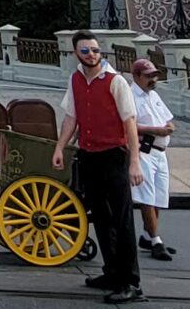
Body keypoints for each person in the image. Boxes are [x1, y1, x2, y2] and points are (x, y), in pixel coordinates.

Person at [52, 31, 143, 303]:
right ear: (75, 54)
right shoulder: (76, 79)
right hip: (89, 154)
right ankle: (112, 272)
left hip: (114, 155)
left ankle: (131, 282)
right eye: (85, 51)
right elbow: (72, 116)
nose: (91, 54)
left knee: (122, 219)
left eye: (94, 50)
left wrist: (134, 162)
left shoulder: (116, 82)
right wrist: (60, 146)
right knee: (101, 218)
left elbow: (130, 123)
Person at [128, 59, 177, 261]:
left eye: (154, 76)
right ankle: (156, 240)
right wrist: (155, 130)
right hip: (144, 149)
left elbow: (167, 118)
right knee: (147, 197)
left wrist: (168, 127)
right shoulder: (130, 97)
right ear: (137, 76)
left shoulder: (153, 95)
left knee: (158, 196)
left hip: (160, 150)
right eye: (148, 76)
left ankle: (149, 234)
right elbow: (128, 125)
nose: (153, 80)